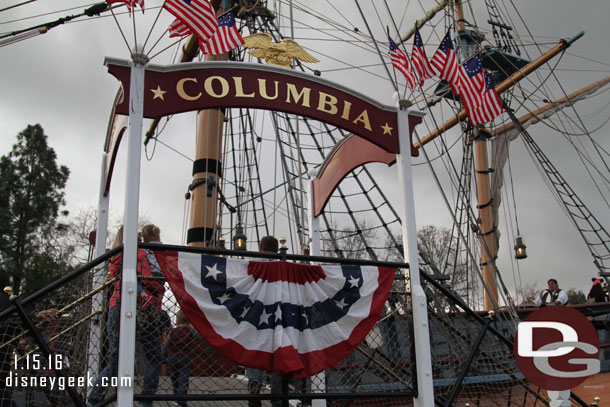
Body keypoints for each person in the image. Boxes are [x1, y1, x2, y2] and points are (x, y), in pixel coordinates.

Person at [87, 226, 164, 407]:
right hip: (141, 309)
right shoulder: (137, 253)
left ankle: (93, 399)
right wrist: (159, 287)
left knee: (115, 360)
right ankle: (145, 402)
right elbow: (142, 277)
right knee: (154, 356)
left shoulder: (115, 257)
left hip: (116, 305)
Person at [246, 236, 283, 407]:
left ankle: (254, 385)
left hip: (256, 314)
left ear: (260, 248)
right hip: (278, 315)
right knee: (278, 355)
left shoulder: (252, 264)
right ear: (277, 250)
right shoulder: (282, 265)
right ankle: (277, 397)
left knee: (255, 350)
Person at [163, 310, 200, 407]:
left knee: (174, 379)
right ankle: (182, 402)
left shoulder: (172, 331)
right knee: (183, 380)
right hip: (184, 356)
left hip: (172, 357)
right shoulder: (190, 330)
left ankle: (176, 398)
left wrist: (163, 357)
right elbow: (198, 336)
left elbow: (166, 345)